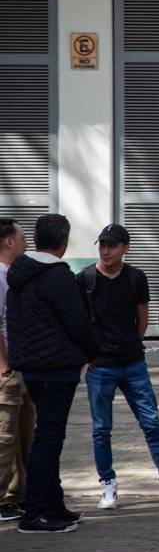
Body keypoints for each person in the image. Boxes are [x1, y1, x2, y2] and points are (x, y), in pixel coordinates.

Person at [78, 224, 159, 510]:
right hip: (100, 366)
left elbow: (142, 318)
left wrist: (131, 344)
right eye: (102, 245)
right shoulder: (85, 279)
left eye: (112, 245)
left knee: (151, 422)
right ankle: (107, 484)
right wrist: (89, 355)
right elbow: (79, 322)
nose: (106, 251)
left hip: (132, 363)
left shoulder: (136, 278)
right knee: (101, 429)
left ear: (125, 248)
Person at [5, 214, 99, 533]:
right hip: (56, 368)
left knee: (48, 437)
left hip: (32, 367)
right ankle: (35, 513)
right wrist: (93, 353)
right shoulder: (58, 275)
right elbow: (77, 322)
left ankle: (53, 504)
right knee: (48, 439)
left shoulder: (20, 274)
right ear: (65, 241)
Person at [0, 218, 35, 523]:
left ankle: (17, 494)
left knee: (23, 433)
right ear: (9, 241)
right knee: (5, 436)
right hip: (8, 370)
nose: (26, 243)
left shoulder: (12, 275)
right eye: (22, 237)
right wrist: (5, 367)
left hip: (20, 366)